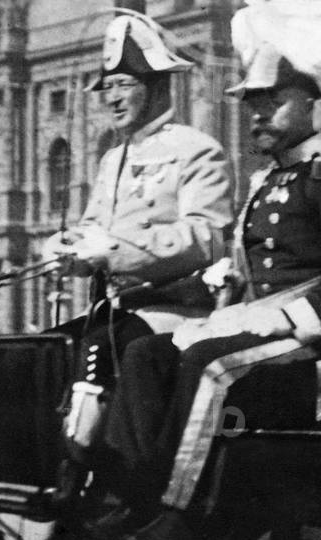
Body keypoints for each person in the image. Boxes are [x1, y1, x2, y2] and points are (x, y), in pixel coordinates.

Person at [93, 8, 321, 540]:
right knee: (144, 356)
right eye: (253, 104)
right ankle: (128, 495)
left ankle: (183, 515)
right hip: (264, 327)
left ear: (311, 103)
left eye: (272, 102)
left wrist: (283, 316)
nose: (258, 115)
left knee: (211, 368)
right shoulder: (264, 182)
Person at [42, 12, 233, 507]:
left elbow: (208, 238)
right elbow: (91, 226)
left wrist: (115, 251)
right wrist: (68, 249)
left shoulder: (198, 151)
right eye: (107, 86)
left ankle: (93, 491)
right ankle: (45, 479)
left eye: (123, 83)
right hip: (117, 310)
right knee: (43, 352)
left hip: (175, 310)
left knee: (99, 353)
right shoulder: (112, 159)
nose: (111, 97)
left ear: (156, 86)